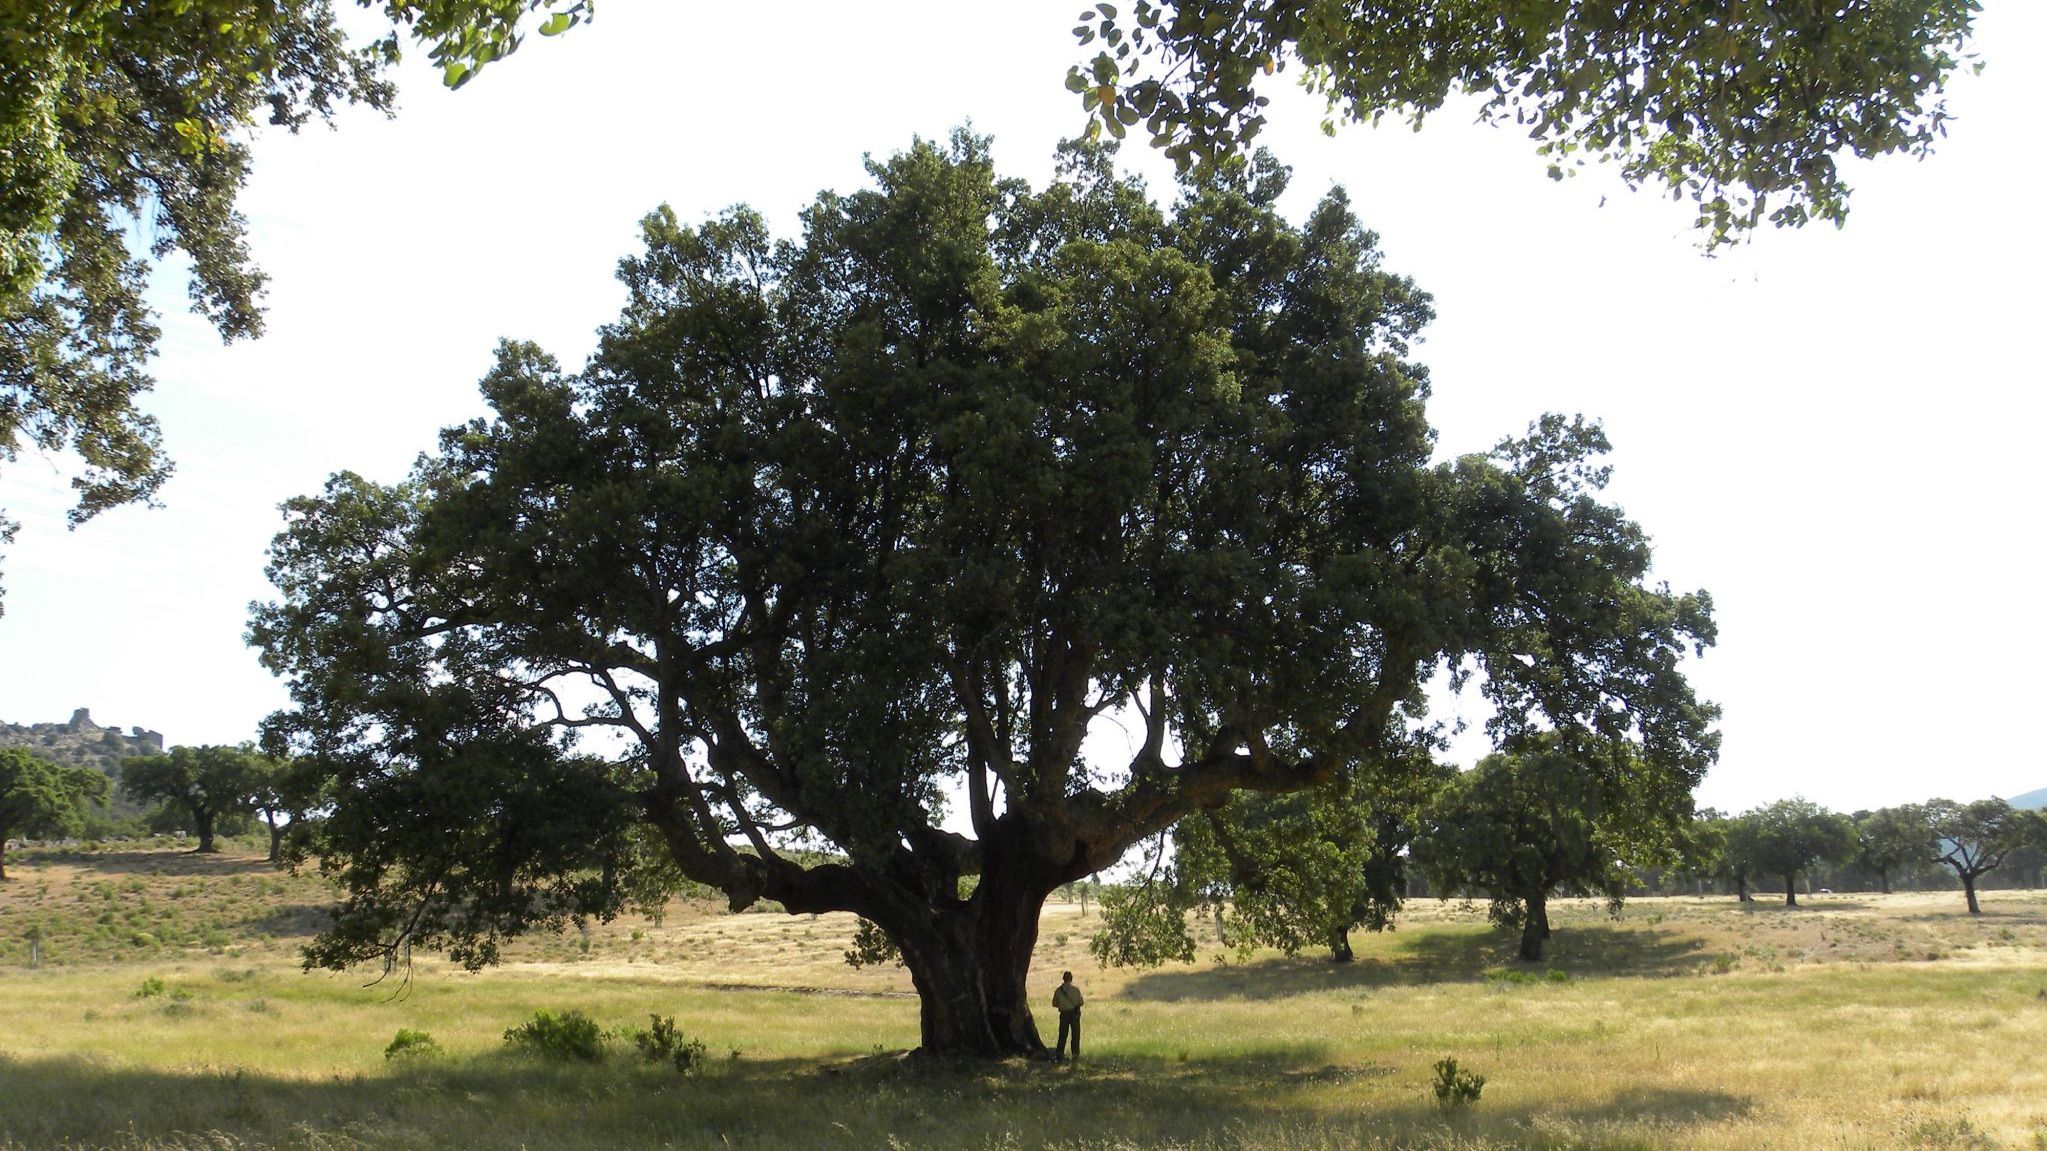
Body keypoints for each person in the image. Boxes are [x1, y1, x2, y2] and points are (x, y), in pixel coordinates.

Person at [1051, 970, 1084, 1061]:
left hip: (1064, 1014)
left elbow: (1054, 1004)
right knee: (1075, 1035)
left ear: (1063, 979)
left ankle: (1060, 1054)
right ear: (1071, 978)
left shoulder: (1058, 991)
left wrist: (1062, 1005)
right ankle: (1075, 1055)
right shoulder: (1076, 990)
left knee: (1062, 1035)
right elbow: (1081, 1002)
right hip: (1074, 1014)